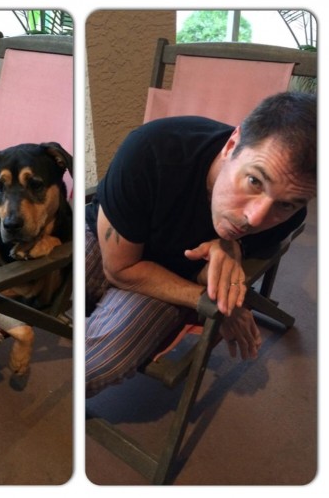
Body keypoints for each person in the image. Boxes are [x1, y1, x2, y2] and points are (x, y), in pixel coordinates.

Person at [85, 91, 316, 398]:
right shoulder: (151, 150)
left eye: (285, 204)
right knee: (32, 291)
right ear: (232, 145)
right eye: (254, 181)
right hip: (112, 242)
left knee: (93, 369)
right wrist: (220, 306)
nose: (255, 218)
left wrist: (232, 247)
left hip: (171, 275)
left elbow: (234, 254)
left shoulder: (290, 212)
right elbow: (120, 268)